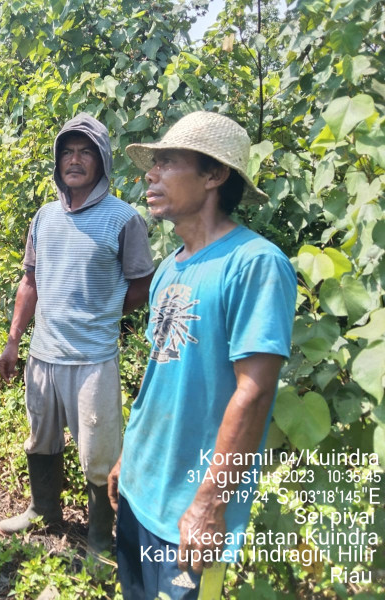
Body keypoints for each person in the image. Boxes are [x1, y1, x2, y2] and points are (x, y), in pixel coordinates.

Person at [108, 111, 297, 599]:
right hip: (140, 490)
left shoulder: (256, 264)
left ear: (214, 175)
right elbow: (160, 377)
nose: (150, 174)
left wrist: (210, 506)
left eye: (167, 162)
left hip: (189, 511)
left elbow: (253, 394)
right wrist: (127, 459)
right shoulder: (170, 269)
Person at [0, 113, 155, 554]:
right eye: (68, 150)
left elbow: (141, 285)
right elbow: (29, 282)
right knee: (40, 439)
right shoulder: (44, 217)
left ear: (102, 160)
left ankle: (101, 539)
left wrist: (105, 313)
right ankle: (43, 512)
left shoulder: (125, 219)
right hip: (43, 355)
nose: (75, 159)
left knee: (99, 456)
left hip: (93, 360)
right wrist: (13, 340)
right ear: (57, 159)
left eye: (86, 151)